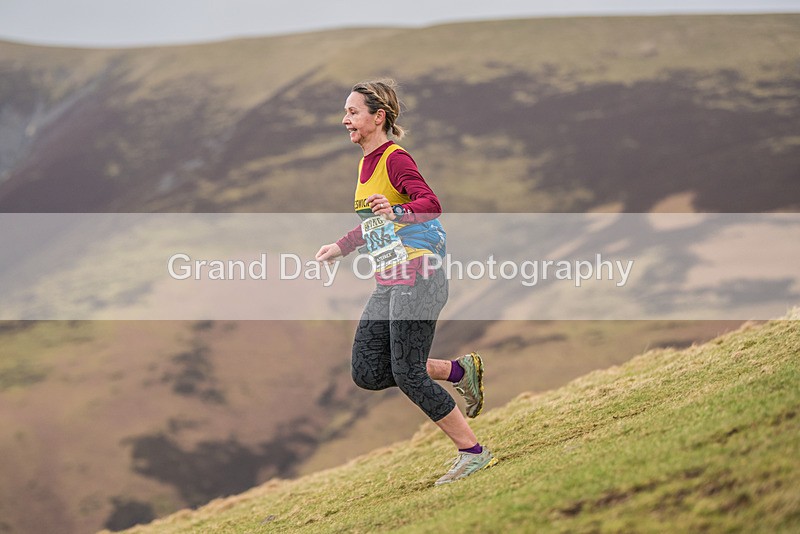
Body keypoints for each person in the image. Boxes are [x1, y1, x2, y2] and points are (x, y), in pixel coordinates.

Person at [315, 79, 497, 485]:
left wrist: (397, 211)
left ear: (378, 117)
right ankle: (457, 371)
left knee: (408, 373)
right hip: (390, 279)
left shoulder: (395, 158)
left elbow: (430, 204)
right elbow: (376, 221)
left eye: (352, 112)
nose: (345, 120)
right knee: (367, 371)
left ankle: (474, 453)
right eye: (345, 112)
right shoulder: (365, 164)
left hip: (420, 274)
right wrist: (342, 246)